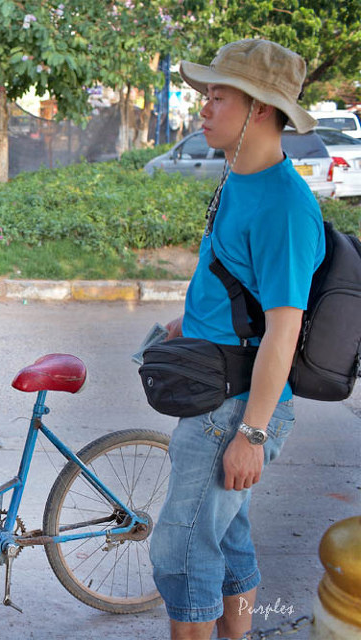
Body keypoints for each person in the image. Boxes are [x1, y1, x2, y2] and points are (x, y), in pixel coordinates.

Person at [147, 40, 325, 640]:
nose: (203, 106)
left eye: (218, 96)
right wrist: (188, 322)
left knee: (181, 551)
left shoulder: (283, 206)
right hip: (216, 385)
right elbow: (233, 284)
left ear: (260, 111)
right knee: (225, 539)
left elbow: (284, 327)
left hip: (235, 407)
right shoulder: (237, 176)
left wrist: (251, 433)